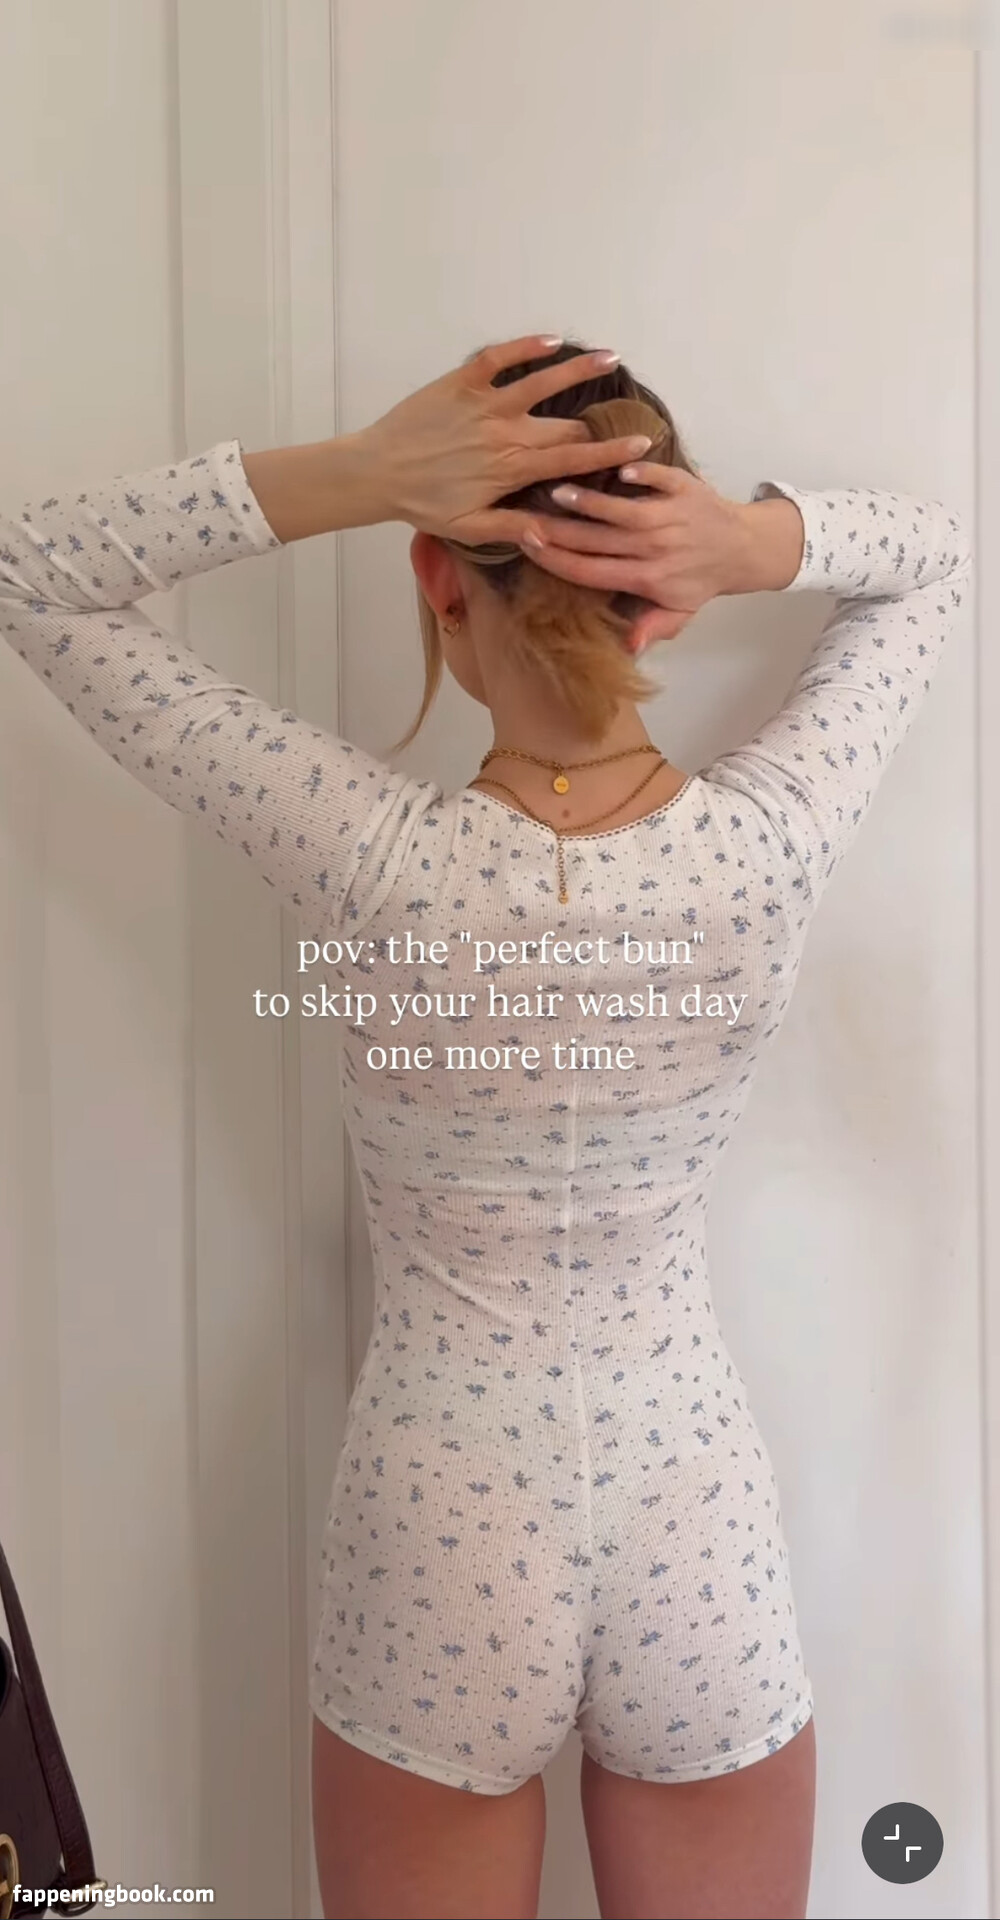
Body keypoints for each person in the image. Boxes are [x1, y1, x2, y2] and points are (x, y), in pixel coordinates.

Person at [0, 335, 971, 1920]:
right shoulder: (770, 844)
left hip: (443, 1517)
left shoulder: (368, 852)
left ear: (436, 576)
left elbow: (31, 574)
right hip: (691, 1515)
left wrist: (363, 472)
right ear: (665, 602)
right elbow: (936, 562)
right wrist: (751, 541)